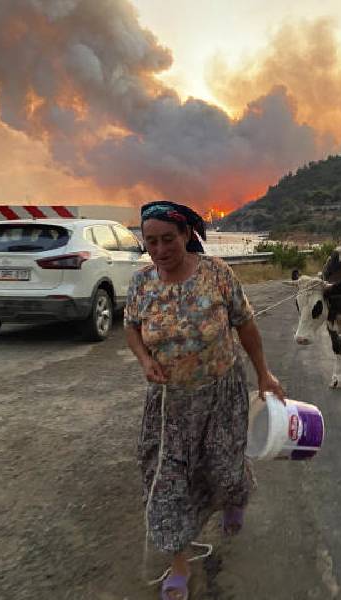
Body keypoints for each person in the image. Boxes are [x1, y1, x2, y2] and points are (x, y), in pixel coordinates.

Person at [125, 201, 285, 600]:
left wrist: (263, 372)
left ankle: (235, 495)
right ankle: (179, 564)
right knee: (166, 482)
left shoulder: (217, 274)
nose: (160, 249)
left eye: (168, 239)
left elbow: (245, 324)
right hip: (169, 405)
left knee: (224, 468)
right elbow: (131, 327)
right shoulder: (142, 282)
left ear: (186, 235)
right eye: (151, 242)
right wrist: (145, 360)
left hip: (220, 394)